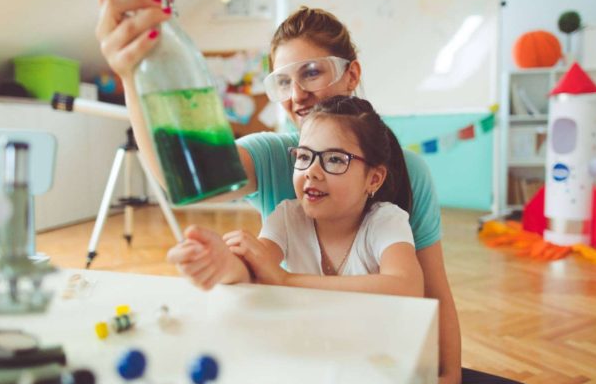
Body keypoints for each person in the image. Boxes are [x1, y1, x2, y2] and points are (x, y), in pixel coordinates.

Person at [95, 0, 579, 384]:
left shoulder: (403, 180)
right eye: (283, 81)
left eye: (311, 73)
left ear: (352, 74)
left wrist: (446, 381)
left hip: (381, 348)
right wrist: (134, 73)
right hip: (301, 351)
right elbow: (187, 183)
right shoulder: (280, 163)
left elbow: (432, 290)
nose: (296, 95)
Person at [167, 95, 424, 301]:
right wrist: (222, 262)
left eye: (335, 159)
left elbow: (407, 287)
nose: (312, 171)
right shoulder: (288, 216)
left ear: (374, 179)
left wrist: (285, 280)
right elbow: (254, 269)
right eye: (304, 156)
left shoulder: (385, 221)